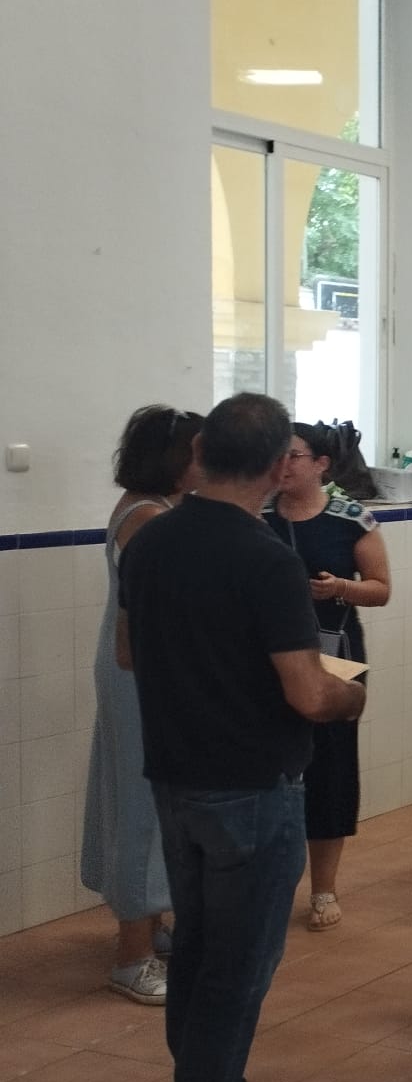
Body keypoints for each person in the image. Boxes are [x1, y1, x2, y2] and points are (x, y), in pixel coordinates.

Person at [120, 392, 367, 1082]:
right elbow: (304, 691)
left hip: (176, 775)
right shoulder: (266, 559)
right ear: (270, 467)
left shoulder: (152, 538)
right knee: (240, 964)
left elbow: (131, 653)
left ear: (202, 455)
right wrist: (350, 695)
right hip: (252, 785)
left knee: (197, 946)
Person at [84, 405, 200, 1004]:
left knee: (150, 799)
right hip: (141, 675)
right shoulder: (148, 518)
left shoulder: (146, 506)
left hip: (136, 670)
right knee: (142, 804)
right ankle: (132, 954)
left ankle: (152, 930)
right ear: (174, 460)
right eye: (196, 454)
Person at [263, 422, 390, 932]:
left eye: (294, 456)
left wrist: (340, 587)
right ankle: (271, 882)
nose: (284, 466)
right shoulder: (256, 516)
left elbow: (381, 590)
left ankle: (324, 888)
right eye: (277, 456)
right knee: (273, 768)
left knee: (330, 769)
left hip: (336, 652)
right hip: (268, 660)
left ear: (321, 464)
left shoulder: (351, 520)